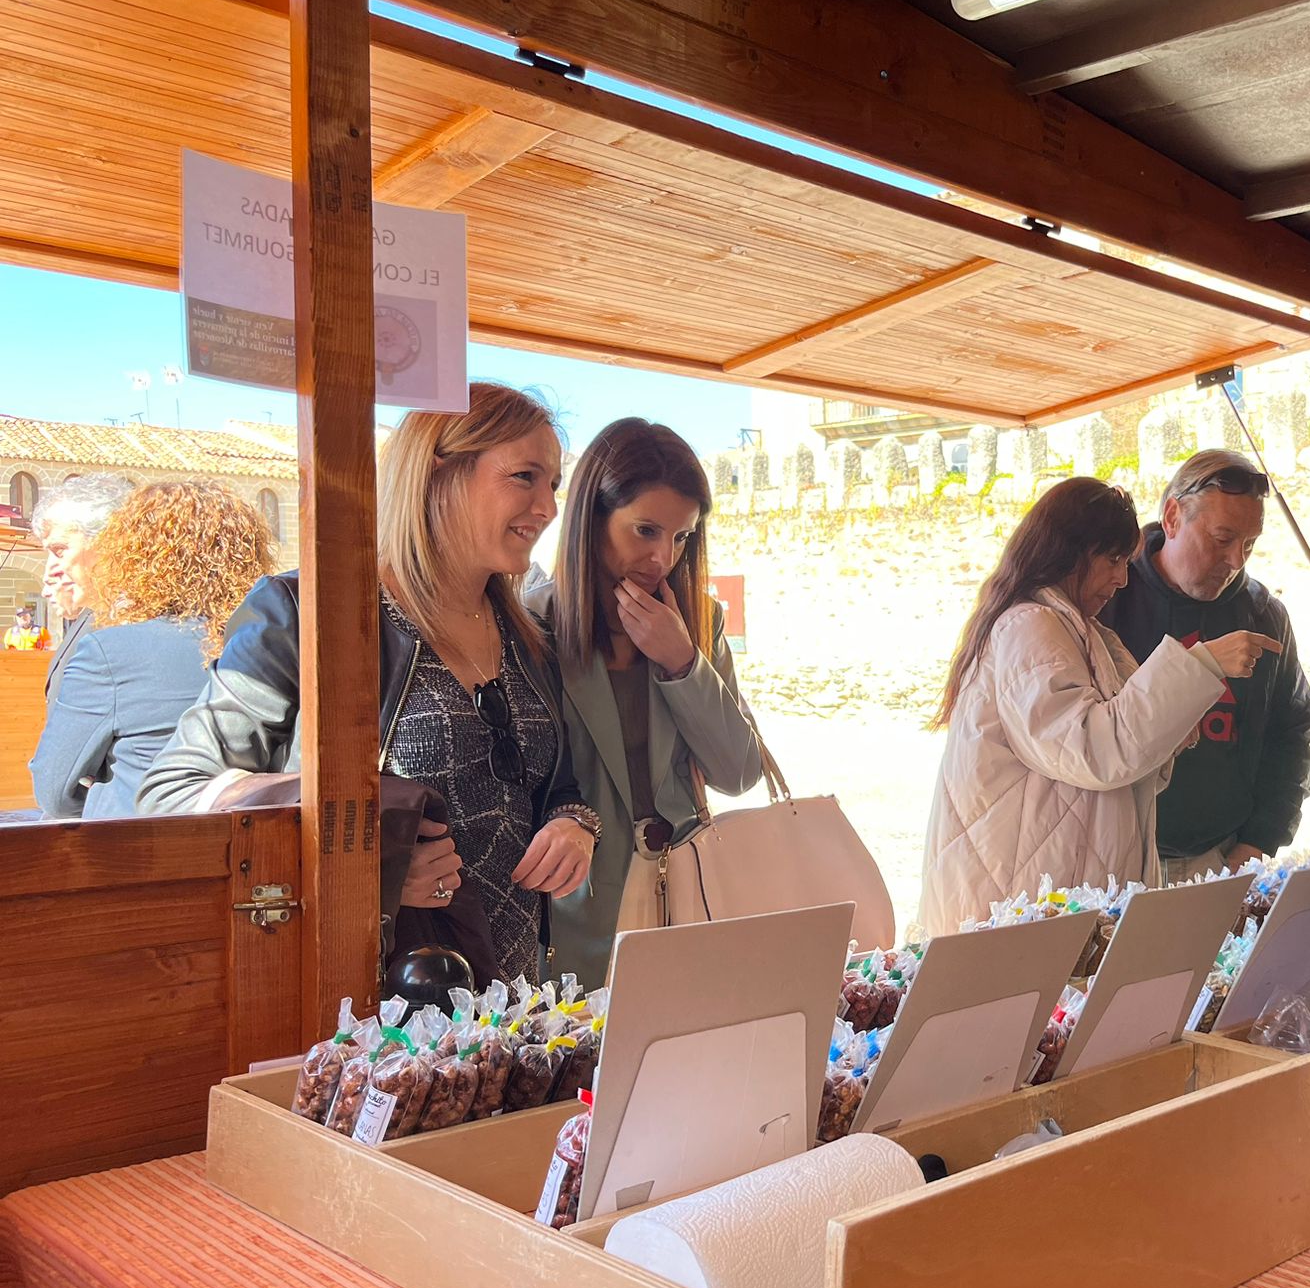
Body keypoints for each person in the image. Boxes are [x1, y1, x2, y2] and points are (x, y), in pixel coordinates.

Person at [137, 383, 598, 986]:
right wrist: (369, 857)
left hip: (513, 1009)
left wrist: (575, 825)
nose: (548, 507)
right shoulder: (308, 614)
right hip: (372, 1009)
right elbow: (173, 790)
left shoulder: (531, 636)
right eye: (525, 477)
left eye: (554, 484)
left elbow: (555, 784)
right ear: (438, 474)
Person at [920, 476, 1281, 934]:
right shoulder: (1031, 627)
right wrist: (1203, 665)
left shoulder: (1081, 631)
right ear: (1068, 552)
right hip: (1018, 901)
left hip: (1047, 893)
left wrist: (1168, 732)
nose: (1122, 578)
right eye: (1112, 560)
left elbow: (1117, 748)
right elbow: (1094, 750)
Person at [529, 417, 764, 989]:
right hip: (573, 909)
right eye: (645, 530)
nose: (663, 557)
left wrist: (682, 663)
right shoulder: (532, 627)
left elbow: (738, 772)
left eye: (682, 536)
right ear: (592, 520)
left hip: (686, 895)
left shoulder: (699, 624)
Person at [1098, 449, 1310, 877]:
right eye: (1222, 539)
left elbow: (1292, 735)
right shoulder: (1108, 600)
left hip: (1221, 856)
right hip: (1112, 856)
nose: (1236, 561)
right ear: (1173, 516)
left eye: (1249, 545)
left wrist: (1261, 839)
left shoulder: (1264, 615)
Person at [32, 481, 275, 819]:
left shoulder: (109, 651)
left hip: (141, 852)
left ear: (136, 555)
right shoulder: (274, 646)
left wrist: (109, 798)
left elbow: (55, 794)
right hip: (259, 849)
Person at [32, 473, 133, 697]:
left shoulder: (135, 626)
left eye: (60, 550)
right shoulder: (98, 615)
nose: (50, 571)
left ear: (106, 542)